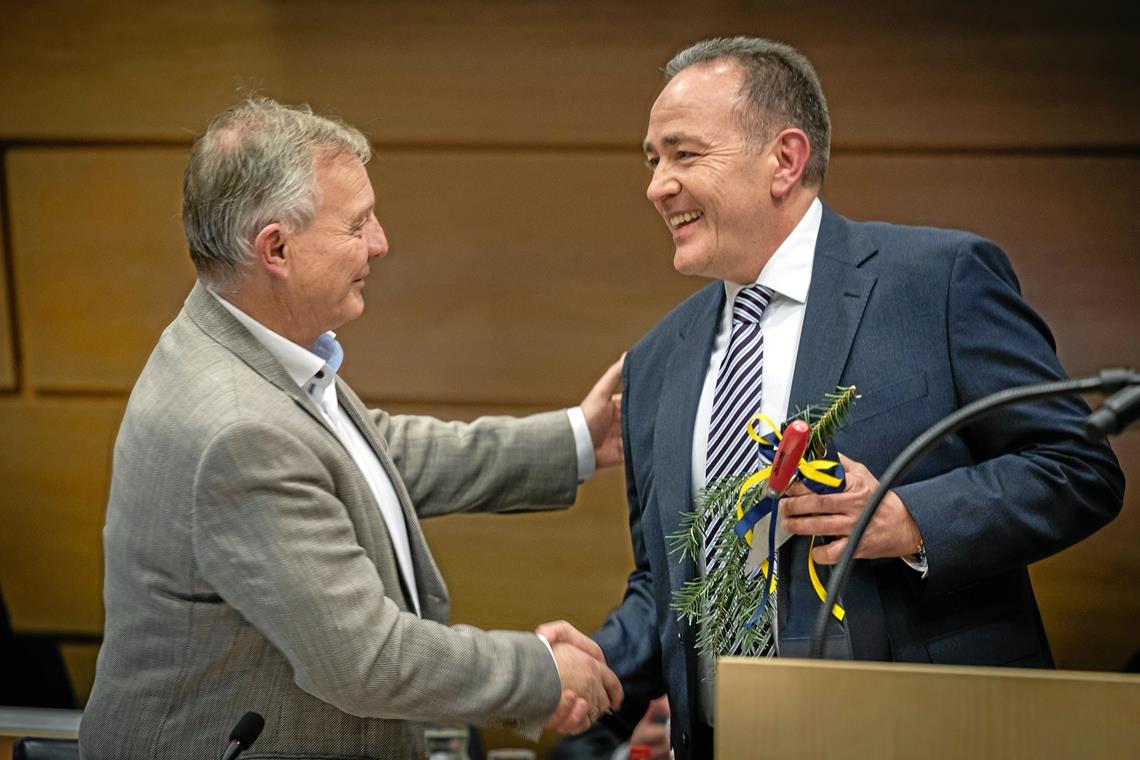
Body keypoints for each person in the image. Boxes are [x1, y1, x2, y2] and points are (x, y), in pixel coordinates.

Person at [558, 36, 1125, 758]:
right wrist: (590, 665)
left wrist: (910, 518)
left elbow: (1079, 469)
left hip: (926, 732)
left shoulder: (938, 281)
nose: (657, 184)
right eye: (652, 160)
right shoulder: (655, 360)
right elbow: (668, 583)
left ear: (785, 160)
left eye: (684, 154)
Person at [79, 98, 623, 759]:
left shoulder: (242, 344)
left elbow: (370, 459)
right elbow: (366, 659)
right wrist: (541, 672)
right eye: (357, 224)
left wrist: (577, 441)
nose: (380, 243)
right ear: (276, 248)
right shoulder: (237, 429)